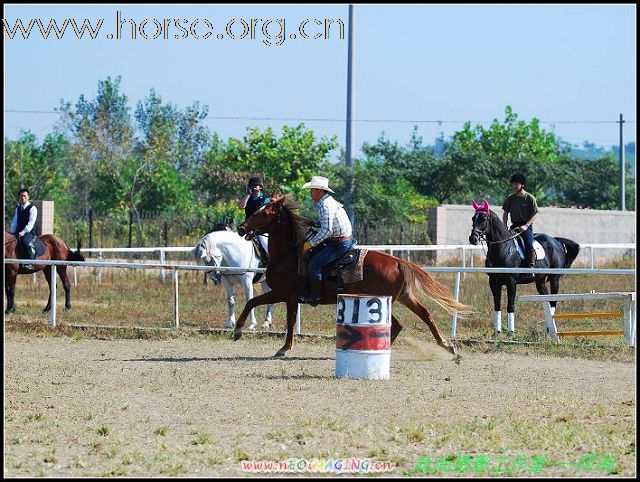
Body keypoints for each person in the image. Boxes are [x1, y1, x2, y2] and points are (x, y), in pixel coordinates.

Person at [298, 176, 354, 306]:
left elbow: (327, 231)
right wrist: (313, 224)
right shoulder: (329, 202)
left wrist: (308, 244)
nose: (310, 192)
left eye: (312, 190)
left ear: (319, 191)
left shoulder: (325, 205)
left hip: (338, 243)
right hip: (340, 239)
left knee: (314, 264)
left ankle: (315, 296)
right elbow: (327, 225)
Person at [502, 173, 539, 268]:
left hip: (526, 227)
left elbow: (535, 213)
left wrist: (526, 225)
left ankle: (530, 265)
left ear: (522, 185)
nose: (514, 186)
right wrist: (504, 225)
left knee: (528, 243)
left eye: (516, 184)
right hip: (514, 226)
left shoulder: (530, 198)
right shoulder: (510, 198)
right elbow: (505, 213)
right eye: (513, 184)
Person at [239, 176, 270, 259]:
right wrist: (248, 195)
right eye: (252, 185)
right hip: (247, 227)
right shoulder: (248, 198)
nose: (254, 187)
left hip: (260, 228)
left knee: (264, 242)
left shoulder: (265, 199)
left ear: (260, 187)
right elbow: (241, 206)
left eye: (256, 185)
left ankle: (270, 259)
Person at [10, 188, 38, 271]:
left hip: (29, 232)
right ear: (19, 197)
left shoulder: (33, 208)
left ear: (28, 197)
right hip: (18, 232)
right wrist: (12, 232)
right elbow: (15, 222)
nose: (23, 198)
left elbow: (31, 223)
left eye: (25, 196)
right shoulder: (18, 208)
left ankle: (30, 263)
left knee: (25, 242)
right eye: (21, 196)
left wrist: (23, 232)